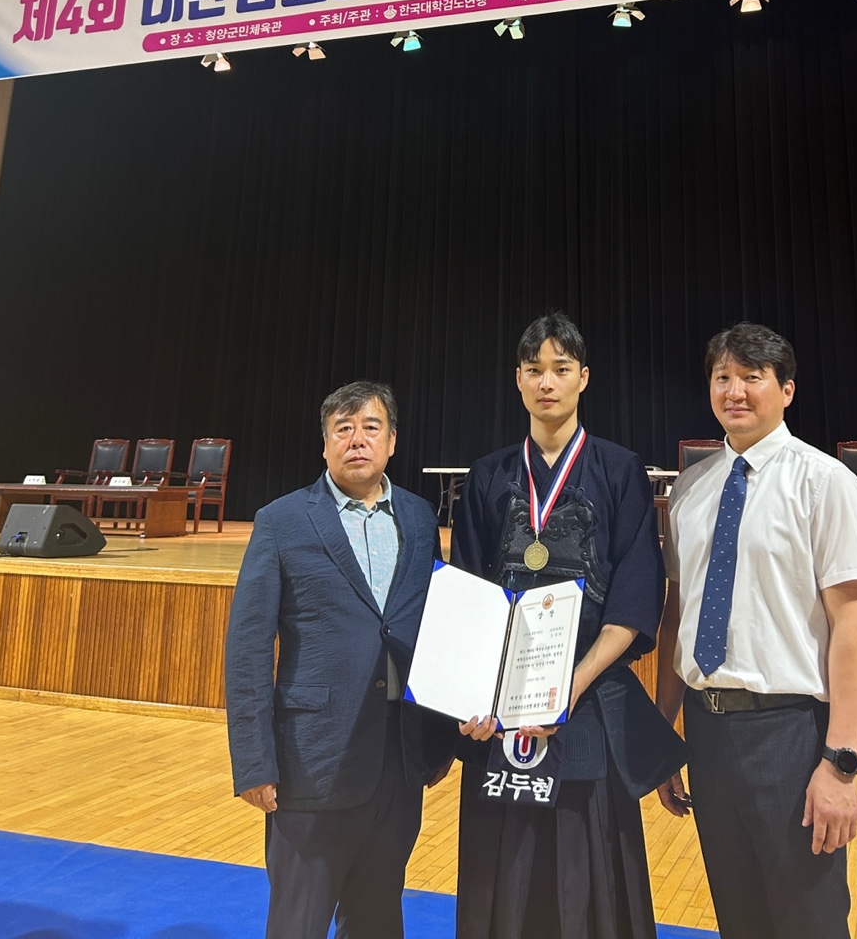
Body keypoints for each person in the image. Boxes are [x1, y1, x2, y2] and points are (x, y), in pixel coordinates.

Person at [449, 311, 686, 939]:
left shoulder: (619, 470)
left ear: (584, 377)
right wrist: (478, 693)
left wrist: (566, 688)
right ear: (518, 380)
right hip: (501, 713)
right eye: (534, 370)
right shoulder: (488, 477)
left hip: (588, 703)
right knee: (502, 874)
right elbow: (467, 599)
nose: (546, 382)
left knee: (590, 879)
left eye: (560, 369)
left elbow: (635, 597)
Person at [655, 322, 857, 939]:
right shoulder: (689, 489)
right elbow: (677, 617)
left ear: (786, 389)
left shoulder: (825, 482)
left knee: (809, 921)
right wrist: (663, 734)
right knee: (739, 918)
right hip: (706, 733)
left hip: (789, 735)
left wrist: (840, 764)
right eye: (722, 377)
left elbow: (852, 626)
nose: (735, 391)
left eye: (752, 377)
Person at [225, 380, 453, 939]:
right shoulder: (281, 520)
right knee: (298, 923)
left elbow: (437, 631)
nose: (357, 440)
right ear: (324, 444)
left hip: (399, 760)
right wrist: (254, 761)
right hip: (312, 764)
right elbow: (248, 647)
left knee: (378, 919)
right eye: (342, 429)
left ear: (392, 441)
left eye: (371, 427)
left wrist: (439, 736)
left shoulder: (420, 518)